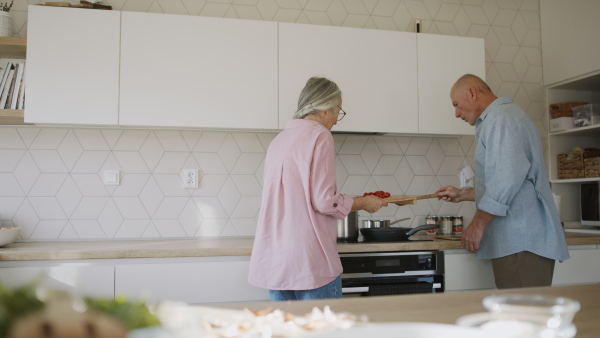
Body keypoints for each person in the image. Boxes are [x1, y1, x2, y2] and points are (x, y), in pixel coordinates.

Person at [248, 77, 388, 301]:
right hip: (309, 260)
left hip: (276, 260)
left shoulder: (280, 140)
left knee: (287, 332)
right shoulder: (320, 135)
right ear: (325, 109)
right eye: (338, 111)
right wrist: (365, 202)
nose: (336, 120)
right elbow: (325, 201)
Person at [436, 74, 569, 289]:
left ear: (472, 93)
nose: (456, 113)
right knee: (522, 316)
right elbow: (509, 181)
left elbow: (505, 182)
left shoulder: (501, 119)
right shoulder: (500, 118)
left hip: (521, 242)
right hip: (519, 243)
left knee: (523, 317)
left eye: (457, 105)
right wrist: (462, 194)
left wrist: (477, 225)